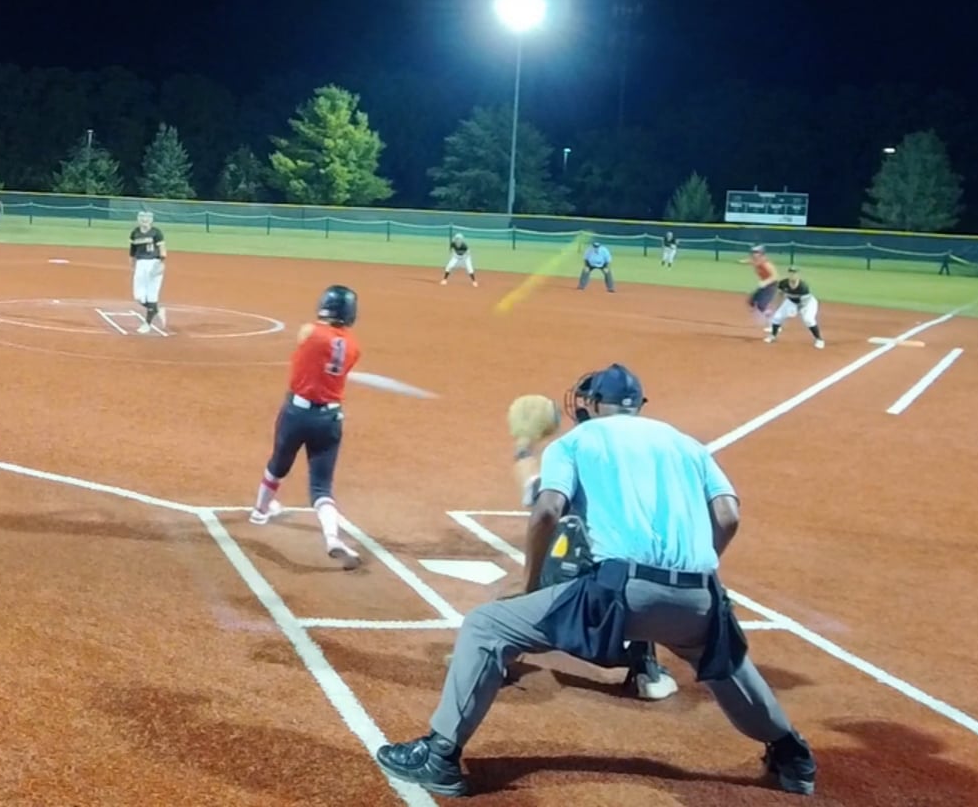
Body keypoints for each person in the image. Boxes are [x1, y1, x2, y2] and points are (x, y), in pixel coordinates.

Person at [375, 363, 817, 798]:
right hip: (699, 595)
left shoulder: (577, 441)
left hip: (619, 594)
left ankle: (440, 755)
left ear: (592, 403)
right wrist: (697, 573)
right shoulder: (688, 445)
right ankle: (791, 754)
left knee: (486, 626)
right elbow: (728, 515)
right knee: (728, 665)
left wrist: (531, 583)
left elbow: (546, 511)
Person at [246, 284, 365, 570]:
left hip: (296, 413)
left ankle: (260, 510)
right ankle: (332, 538)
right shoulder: (354, 348)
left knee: (279, 463)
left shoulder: (310, 332)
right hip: (330, 419)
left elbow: (308, 339)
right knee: (321, 488)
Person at [128, 210, 166, 333]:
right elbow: (132, 251)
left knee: (151, 294)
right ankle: (157, 310)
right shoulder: (135, 232)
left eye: (147, 218)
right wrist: (132, 264)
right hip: (140, 264)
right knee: (139, 297)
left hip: (153, 263)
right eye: (142, 217)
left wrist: (161, 263)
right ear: (138, 219)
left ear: (151, 220)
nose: (144, 220)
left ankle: (147, 324)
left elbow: (162, 250)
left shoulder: (156, 232)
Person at [768, 266, 825, 348]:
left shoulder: (803, 286)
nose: (792, 275)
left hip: (808, 303)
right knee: (777, 317)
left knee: (808, 319)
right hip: (791, 301)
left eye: (794, 273)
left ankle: (819, 340)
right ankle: (773, 336)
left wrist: (796, 310)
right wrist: (776, 307)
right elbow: (779, 294)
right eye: (791, 273)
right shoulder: (783, 283)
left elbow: (804, 302)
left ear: (798, 275)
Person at [742, 246, 780, 324]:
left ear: (761, 253)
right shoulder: (755, 261)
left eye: (756, 252)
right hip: (763, 285)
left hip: (771, 285)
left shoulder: (766, 263)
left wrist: (765, 282)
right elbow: (749, 261)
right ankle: (762, 311)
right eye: (753, 252)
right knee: (751, 301)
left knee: (761, 305)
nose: (754, 254)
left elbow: (775, 276)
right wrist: (741, 262)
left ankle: (773, 320)